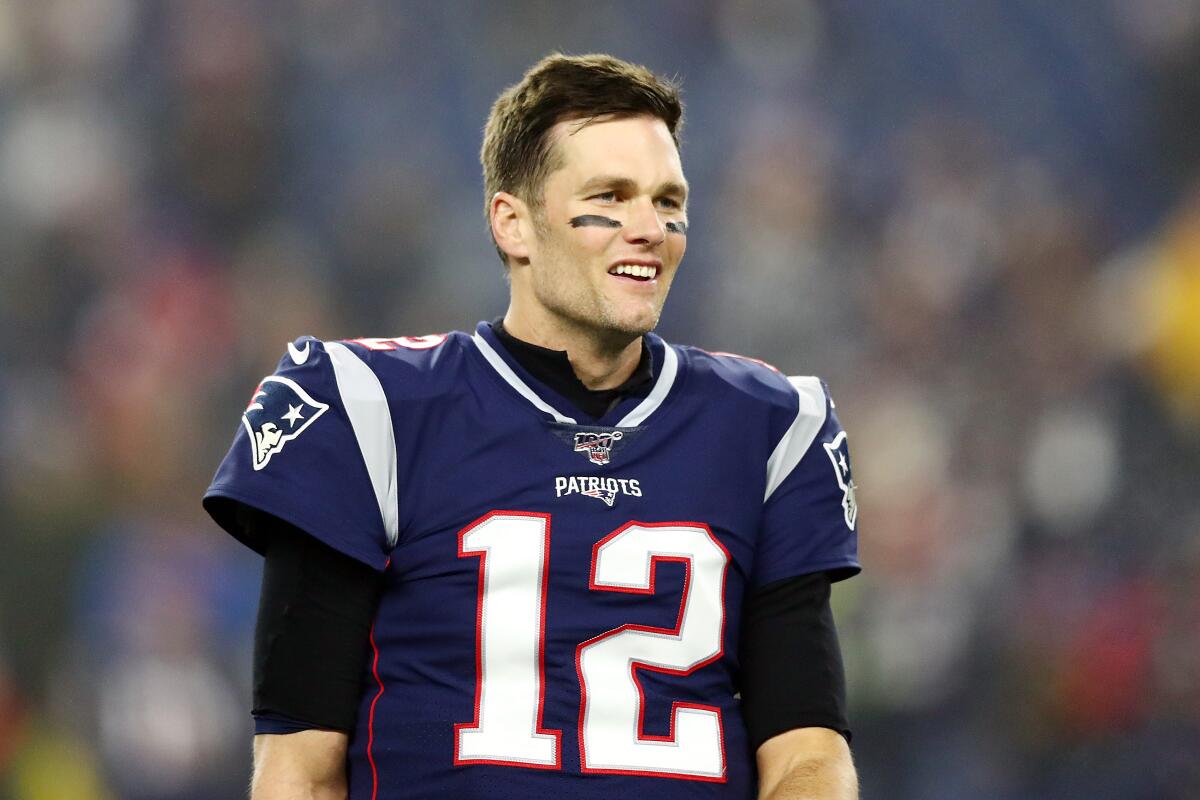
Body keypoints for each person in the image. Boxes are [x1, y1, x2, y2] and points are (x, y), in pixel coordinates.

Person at [204, 53, 861, 800]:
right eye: (610, 196)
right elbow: (301, 770)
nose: (649, 227)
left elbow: (807, 754)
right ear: (512, 224)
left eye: (667, 199)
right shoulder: (367, 408)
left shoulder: (769, 425)